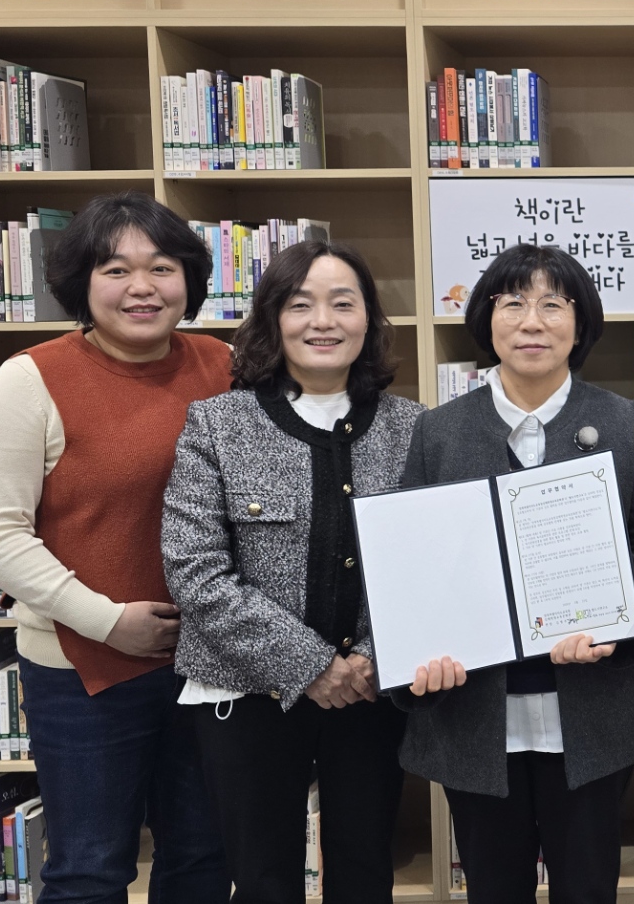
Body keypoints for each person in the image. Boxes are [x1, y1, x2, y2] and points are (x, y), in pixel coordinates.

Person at [0, 192, 231, 904]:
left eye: (162, 268)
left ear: (190, 280)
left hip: (211, 664)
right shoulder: (31, 379)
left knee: (203, 858)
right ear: (82, 283)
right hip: (83, 667)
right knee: (89, 869)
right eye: (116, 270)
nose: (142, 287)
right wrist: (108, 621)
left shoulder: (224, 365)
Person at [395, 243, 634, 904]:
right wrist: (415, 658)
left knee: (588, 888)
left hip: (594, 711)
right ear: (486, 319)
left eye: (553, 304)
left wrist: (614, 629)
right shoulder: (438, 432)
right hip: (476, 713)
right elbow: (409, 565)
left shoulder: (625, 421)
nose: (531, 322)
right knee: (494, 888)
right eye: (513, 303)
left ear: (580, 325)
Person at [160, 241, 422, 904]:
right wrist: (309, 665)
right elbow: (195, 570)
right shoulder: (217, 425)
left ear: (369, 321)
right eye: (300, 305)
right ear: (272, 319)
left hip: (370, 692)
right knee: (262, 879)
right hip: (245, 690)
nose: (322, 321)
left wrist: (370, 658)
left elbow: (431, 563)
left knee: (366, 871)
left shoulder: (414, 428)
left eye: (343, 304)